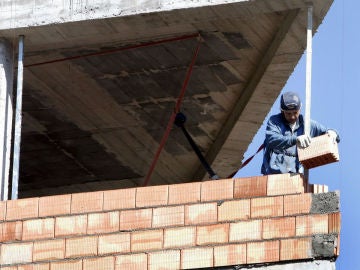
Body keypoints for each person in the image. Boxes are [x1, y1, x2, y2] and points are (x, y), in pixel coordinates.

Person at [261, 91, 340, 175]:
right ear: (282, 111)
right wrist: (295, 140)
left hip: (295, 175)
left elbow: (330, 133)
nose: (292, 116)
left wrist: (333, 133)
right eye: (288, 113)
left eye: (295, 112)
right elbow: (272, 139)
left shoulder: (307, 125)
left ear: (300, 109)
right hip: (274, 173)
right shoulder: (275, 122)